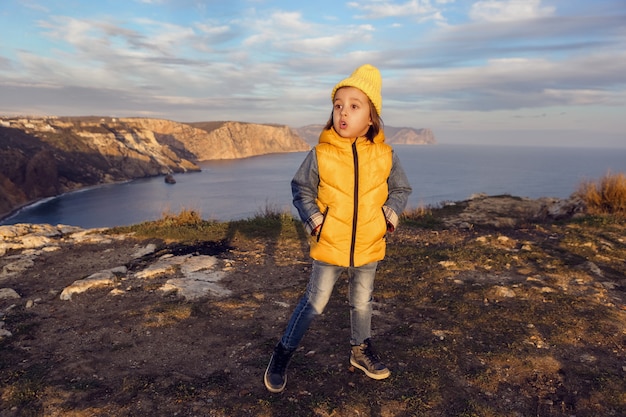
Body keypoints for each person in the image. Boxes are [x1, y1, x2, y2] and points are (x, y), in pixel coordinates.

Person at [264, 64, 412, 393]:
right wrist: (316, 220)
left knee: (362, 301)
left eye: (354, 106)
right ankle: (282, 353)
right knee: (315, 302)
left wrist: (388, 217)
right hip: (330, 241)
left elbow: (401, 189)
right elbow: (301, 188)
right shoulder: (321, 154)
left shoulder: (386, 155)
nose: (343, 112)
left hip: (370, 243)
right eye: (338, 105)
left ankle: (360, 351)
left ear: (371, 117)